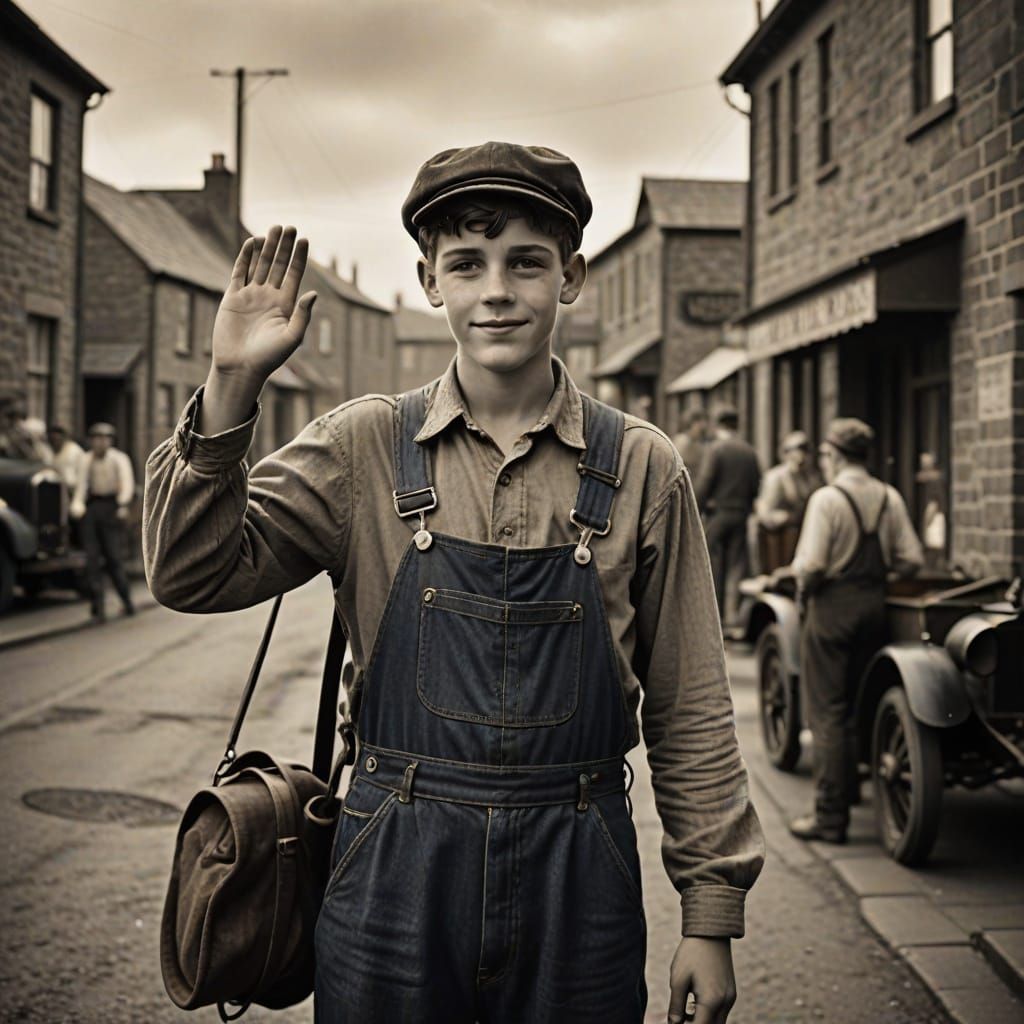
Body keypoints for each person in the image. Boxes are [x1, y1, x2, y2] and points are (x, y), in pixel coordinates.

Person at [143, 142, 764, 1024]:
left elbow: (691, 704)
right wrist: (230, 386)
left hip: (578, 878)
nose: (497, 290)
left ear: (572, 276)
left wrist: (711, 914)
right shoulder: (361, 447)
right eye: (467, 264)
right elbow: (188, 572)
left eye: (526, 262)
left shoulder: (644, 468)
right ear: (432, 281)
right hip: (393, 871)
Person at [777, 419, 923, 843]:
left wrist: (803, 585)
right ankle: (853, 791)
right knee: (859, 707)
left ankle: (829, 817)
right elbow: (911, 559)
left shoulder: (827, 499)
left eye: (825, 455)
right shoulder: (888, 497)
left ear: (836, 455)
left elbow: (811, 566)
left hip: (832, 612)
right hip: (875, 610)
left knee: (828, 714)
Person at [694, 407, 761, 627]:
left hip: (718, 515)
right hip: (740, 514)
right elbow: (755, 485)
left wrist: (696, 511)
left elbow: (705, 484)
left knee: (713, 566)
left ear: (718, 425)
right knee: (737, 567)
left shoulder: (716, 449)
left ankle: (715, 618)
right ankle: (735, 619)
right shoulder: (749, 451)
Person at [71, 423, 136, 621]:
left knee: (113, 557)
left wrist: (123, 504)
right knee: (92, 558)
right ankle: (97, 606)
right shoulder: (86, 459)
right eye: (97, 438)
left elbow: (127, 484)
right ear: (91, 441)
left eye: (105, 438)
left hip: (111, 507)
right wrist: (78, 505)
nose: (101, 442)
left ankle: (126, 600)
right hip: (93, 507)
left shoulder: (119, 459)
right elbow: (81, 485)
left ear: (111, 441)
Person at [754, 430, 823, 574]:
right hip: (781, 541)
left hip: (805, 538)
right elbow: (764, 512)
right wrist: (781, 517)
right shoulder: (776, 478)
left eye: (805, 450)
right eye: (795, 450)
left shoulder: (813, 478)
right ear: (785, 454)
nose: (800, 456)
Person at [671, 407, 710, 482]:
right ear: (691, 424)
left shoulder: (699, 443)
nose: (704, 428)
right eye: (700, 426)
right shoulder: (682, 442)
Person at [47, 424, 86, 494]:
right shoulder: (50, 452)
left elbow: (82, 476)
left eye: (58, 438)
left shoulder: (74, 450)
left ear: (64, 437)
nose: (55, 441)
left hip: (76, 489)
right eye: (53, 439)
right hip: (58, 489)